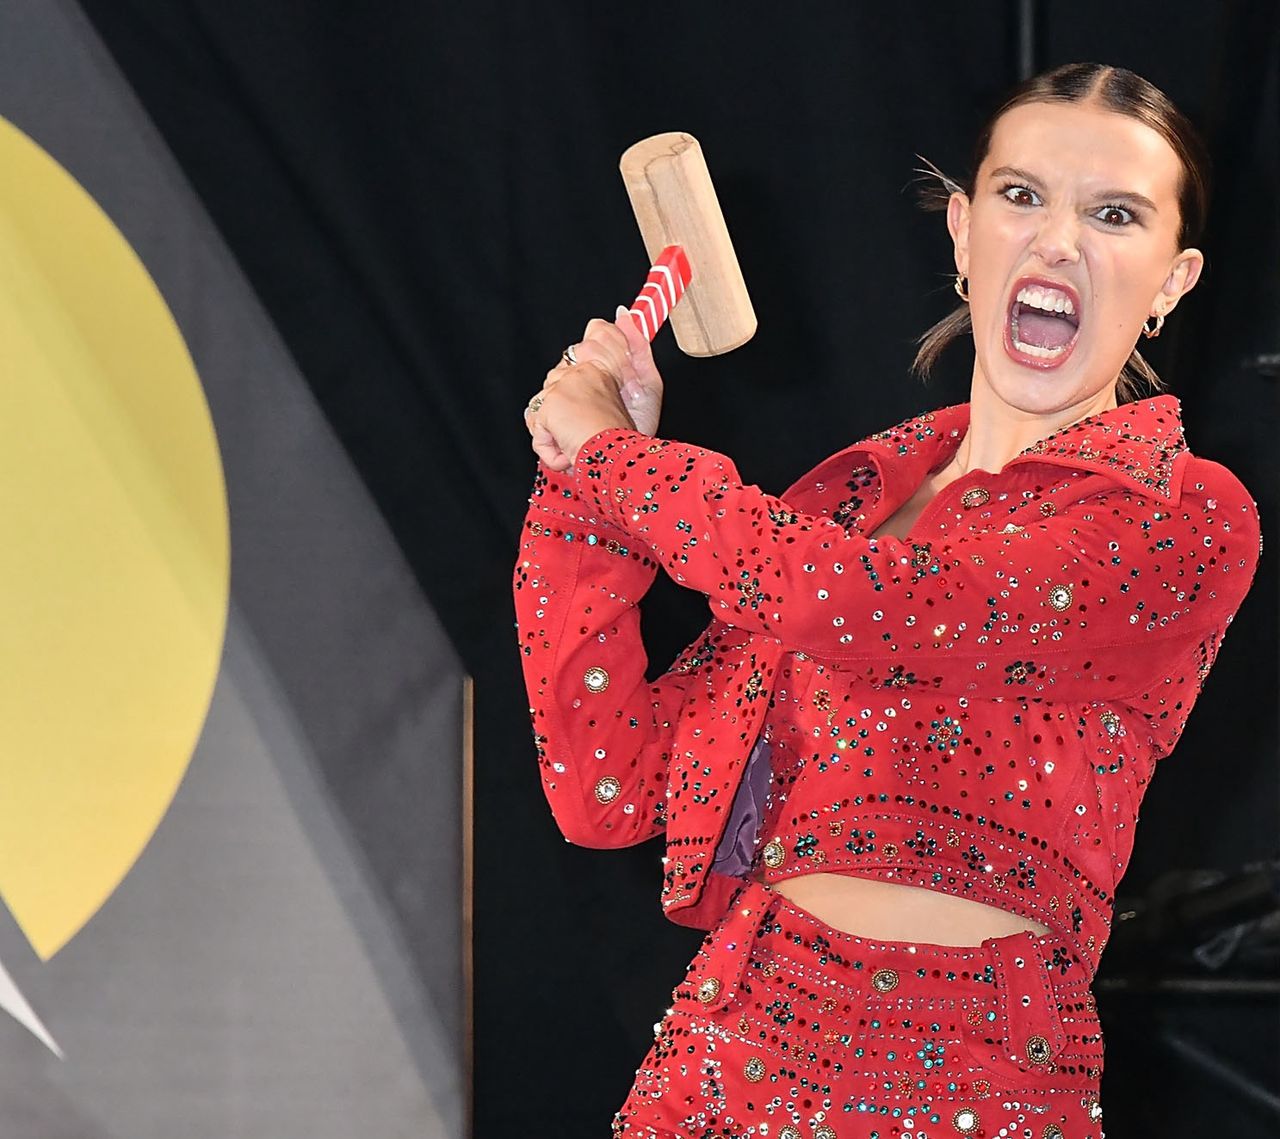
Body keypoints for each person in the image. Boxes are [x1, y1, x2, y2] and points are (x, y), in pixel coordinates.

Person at [514, 62, 1261, 1139]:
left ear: (1170, 278)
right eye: (1019, 196)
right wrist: (578, 491)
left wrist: (624, 465)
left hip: (969, 1081)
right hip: (724, 1056)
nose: (1056, 241)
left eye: (1111, 213)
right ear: (960, 232)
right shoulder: (848, 504)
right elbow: (610, 787)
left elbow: (884, 609)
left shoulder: (1179, 513)